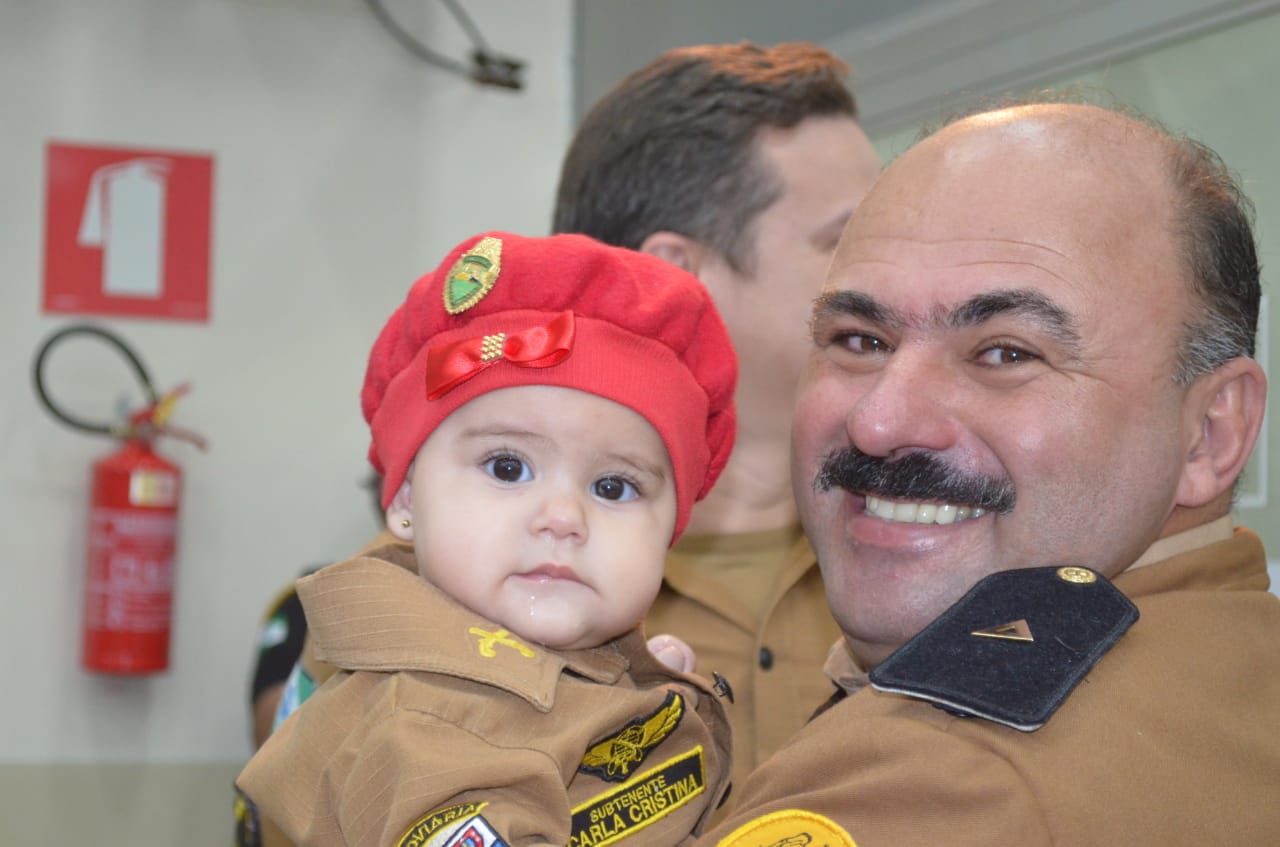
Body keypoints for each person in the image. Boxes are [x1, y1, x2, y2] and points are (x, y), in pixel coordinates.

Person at [697, 97, 1278, 846]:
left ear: (1210, 434)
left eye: (1006, 353)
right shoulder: (1239, 672)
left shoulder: (937, 781)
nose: (879, 422)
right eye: (860, 339)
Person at [237, 231, 740, 847]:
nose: (563, 516)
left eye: (613, 487)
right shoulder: (423, 732)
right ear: (405, 499)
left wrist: (638, 698)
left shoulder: (574, 673)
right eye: (507, 468)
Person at [553, 41, 883, 792]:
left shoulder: (955, 552)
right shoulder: (442, 593)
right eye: (846, 240)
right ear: (676, 275)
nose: (890, 274)